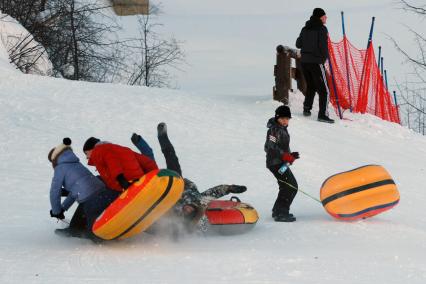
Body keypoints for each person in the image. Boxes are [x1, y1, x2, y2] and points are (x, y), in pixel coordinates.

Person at [131, 122, 247, 233]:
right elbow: (215, 192)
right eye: (190, 210)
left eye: (186, 212)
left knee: (149, 166)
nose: (187, 209)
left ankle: (140, 144)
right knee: (172, 158)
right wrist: (230, 188)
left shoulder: (176, 214)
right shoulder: (199, 201)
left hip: (163, 190)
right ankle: (162, 136)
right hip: (179, 183)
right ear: (195, 210)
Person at [48, 138, 120, 240]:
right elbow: (75, 192)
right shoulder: (77, 164)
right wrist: (62, 209)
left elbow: (54, 192)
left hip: (91, 199)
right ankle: (74, 228)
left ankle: (93, 235)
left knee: (93, 230)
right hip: (103, 191)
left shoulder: (60, 168)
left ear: (54, 159)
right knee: (85, 204)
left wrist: (56, 211)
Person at [296, 8, 335, 123]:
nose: (326, 18)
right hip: (316, 62)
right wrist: (324, 59)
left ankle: (307, 108)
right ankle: (322, 115)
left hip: (304, 62)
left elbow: (298, 44)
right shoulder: (322, 29)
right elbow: (323, 46)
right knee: (325, 90)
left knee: (311, 85)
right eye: (324, 16)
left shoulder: (305, 28)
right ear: (320, 17)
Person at [82, 136, 159, 192]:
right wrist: (155, 175)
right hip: (140, 181)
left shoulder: (97, 152)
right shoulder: (121, 148)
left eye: (86, 153)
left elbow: (112, 162)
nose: (87, 157)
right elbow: (146, 162)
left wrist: (122, 181)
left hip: (127, 186)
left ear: (91, 149)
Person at [264, 105, 300, 222]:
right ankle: (281, 213)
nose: (285, 121)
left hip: (280, 163)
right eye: (283, 118)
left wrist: (290, 156)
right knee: (290, 186)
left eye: (287, 119)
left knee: (287, 186)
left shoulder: (282, 129)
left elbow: (283, 147)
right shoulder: (274, 130)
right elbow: (270, 147)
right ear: (277, 118)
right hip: (275, 163)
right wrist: (284, 156)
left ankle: (277, 211)